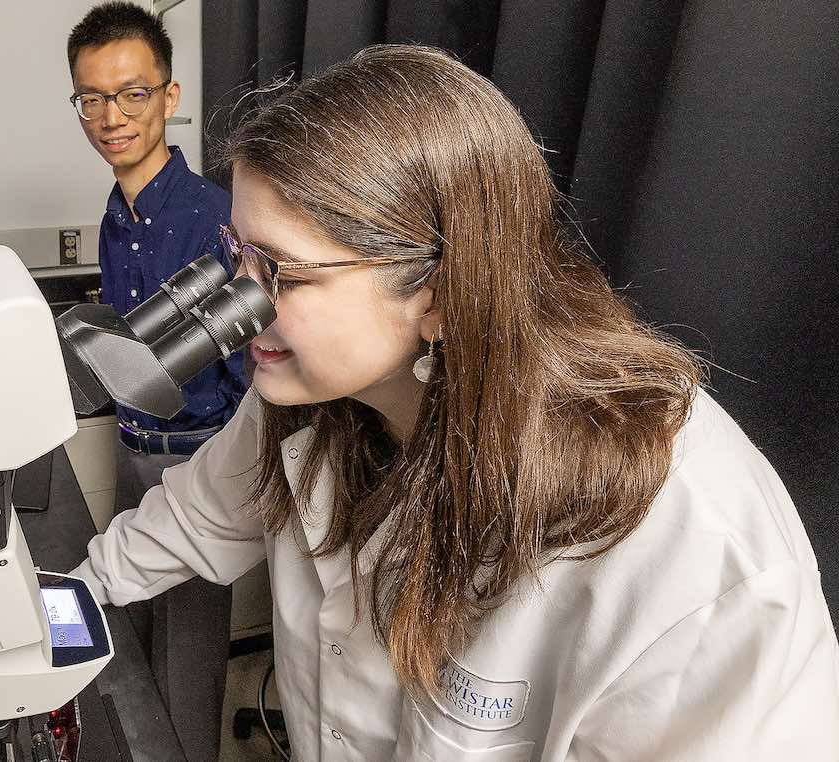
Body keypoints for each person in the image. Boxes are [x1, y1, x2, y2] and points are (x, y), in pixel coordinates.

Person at [72, 44, 839, 760]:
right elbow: (184, 525)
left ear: (439, 294)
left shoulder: (690, 543)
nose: (240, 310)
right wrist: (52, 611)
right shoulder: (308, 397)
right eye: (238, 257)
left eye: (284, 274)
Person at [66, 5, 249, 760]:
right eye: (92, 98)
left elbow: (252, 378)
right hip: (134, 445)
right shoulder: (117, 215)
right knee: (131, 643)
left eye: (132, 94)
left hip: (200, 457)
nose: (112, 117)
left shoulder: (218, 219)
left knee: (187, 665)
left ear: (169, 97)